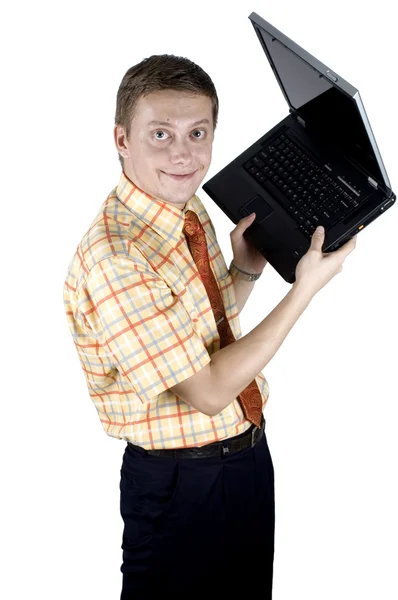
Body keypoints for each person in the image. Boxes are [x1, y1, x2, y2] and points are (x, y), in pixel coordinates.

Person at [63, 54, 356, 599]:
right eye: (160, 134)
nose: (183, 154)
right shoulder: (118, 256)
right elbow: (208, 389)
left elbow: (199, 334)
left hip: (244, 460)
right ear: (121, 139)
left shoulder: (183, 205)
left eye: (198, 133)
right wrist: (305, 288)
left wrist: (244, 268)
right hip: (180, 486)